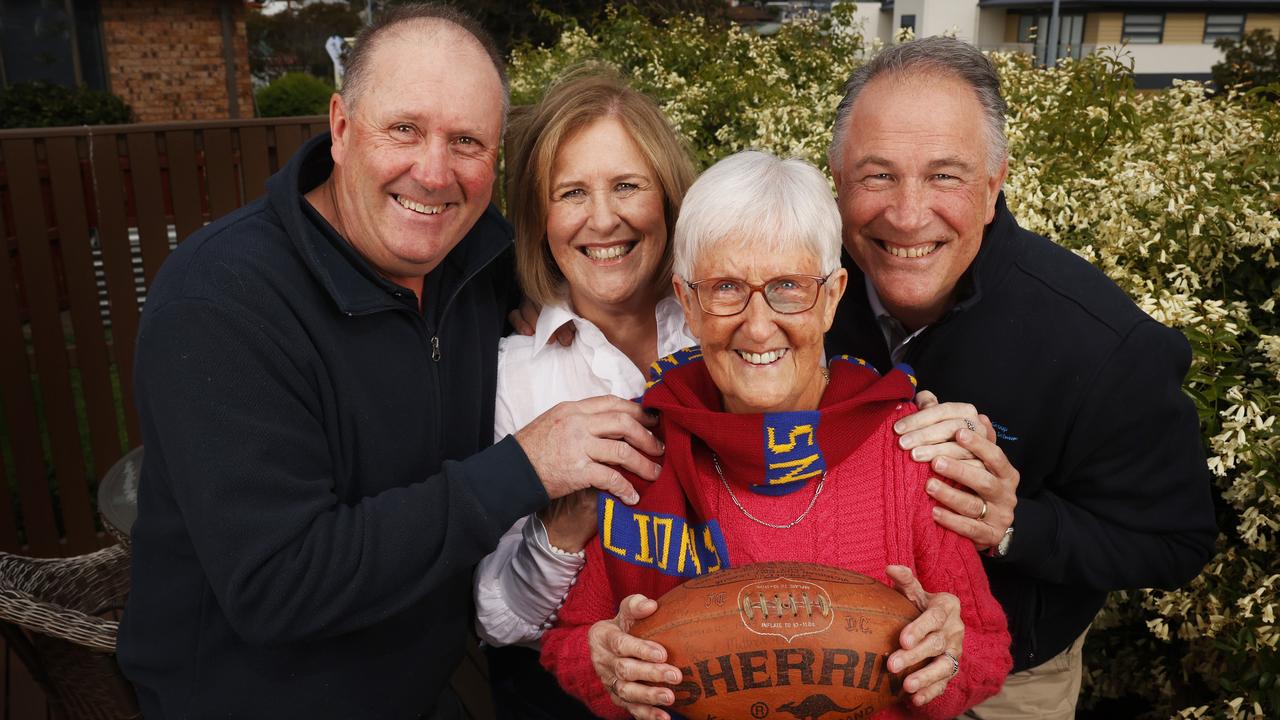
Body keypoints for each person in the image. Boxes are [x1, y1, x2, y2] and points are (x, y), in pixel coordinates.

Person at [116, 5, 664, 718]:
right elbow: (278, 582)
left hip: (424, 686)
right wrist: (525, 467)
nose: (433, 172)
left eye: (466, 141)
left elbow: (585, 264)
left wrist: (569, 305)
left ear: (493, 159)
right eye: (403, 129)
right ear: (341, 128)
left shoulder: (477, 259)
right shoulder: (221, 301)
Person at [540, 150, 1014, 720]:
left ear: (833, 297)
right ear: (687, 302)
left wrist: (948, 659)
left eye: (789, 286)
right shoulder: (642, 454)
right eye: (724, 288)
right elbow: (567, 640)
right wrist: (603, 663)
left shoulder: (909, 450)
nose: (759, 325)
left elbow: (987, 652)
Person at [824, 36, 1217, 718]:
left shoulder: (1102, 344)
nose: (908, 213)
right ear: (837, 181)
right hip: (824, 651)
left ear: (993, 184)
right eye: (877, 175)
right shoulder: (794, 291)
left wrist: (1014, 528)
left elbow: (1175, 541)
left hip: (1004, 678)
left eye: (945, 174)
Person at [473, 68, 698, 719]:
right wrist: (566, 522)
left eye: (628, 185)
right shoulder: (513, 376)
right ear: (540, 218)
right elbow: (499, 621)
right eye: (572, 192)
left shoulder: (733, 322)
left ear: (668, 196)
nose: (604, 219)